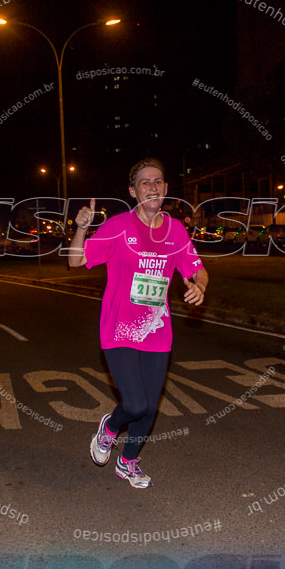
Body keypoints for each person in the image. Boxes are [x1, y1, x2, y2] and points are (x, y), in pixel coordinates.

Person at [68, 158, 209, 488]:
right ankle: (109, 429)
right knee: (134, 403)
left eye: (158, 181)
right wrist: (81, 228)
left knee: (150, 405)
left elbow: (196, 268)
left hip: (156, 331)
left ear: (166, 189)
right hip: (118, 329)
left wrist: (200, 285)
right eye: (145, 182)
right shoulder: (118, 226)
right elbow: (76, 260)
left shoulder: (175, 230)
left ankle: (128, 462)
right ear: (133, 191)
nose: (153, 187)